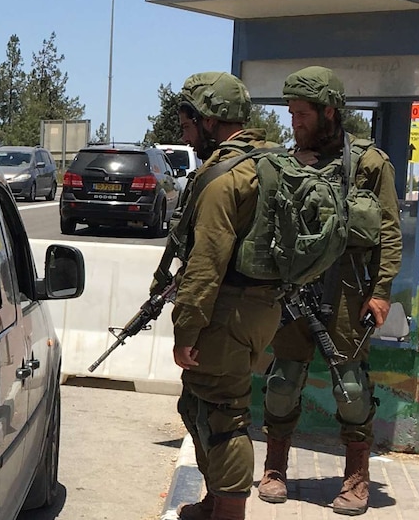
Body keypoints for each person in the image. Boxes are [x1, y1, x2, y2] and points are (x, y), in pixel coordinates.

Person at [258, 66, 403, 516]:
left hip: (346, 291)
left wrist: (380, 292)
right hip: (293, 291)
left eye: (302, 113)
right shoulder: (284, 163)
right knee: (282, 383)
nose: (293, 120)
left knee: (352, 390)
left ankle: (357, 478)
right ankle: (275, 469)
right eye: (291, 112)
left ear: (329, 111)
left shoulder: (369, 163)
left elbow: (390, 234)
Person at [163, 72, 284, 520]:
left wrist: (186, 328)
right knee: (198, 403)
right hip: (254, 308)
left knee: (224, 414)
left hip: (227, 310)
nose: (185, 136)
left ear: (210, 120)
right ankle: (215, 502)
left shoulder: (222, 180)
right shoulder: (268, 161)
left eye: (187, 125)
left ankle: (229, 512)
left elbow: (206, 263)